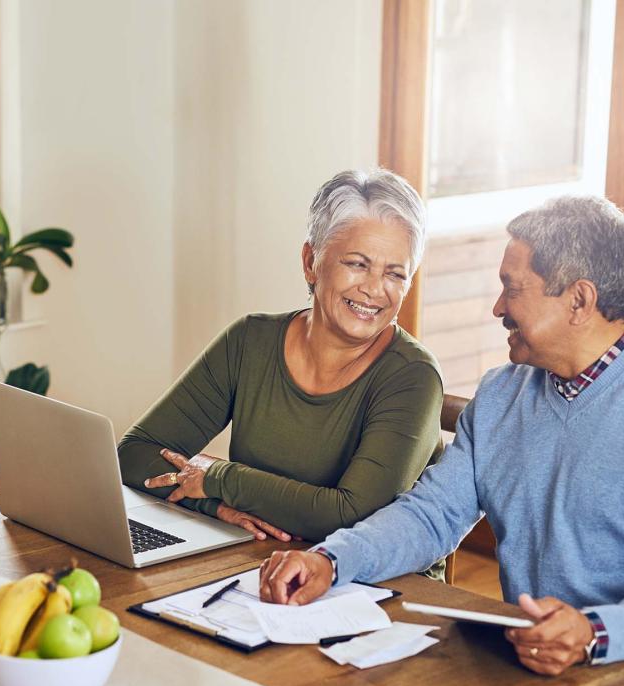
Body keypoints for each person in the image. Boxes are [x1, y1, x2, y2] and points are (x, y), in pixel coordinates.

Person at [258, 195, 624, 679]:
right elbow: (431, 515)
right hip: (542, 660)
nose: (498, 307)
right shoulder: (502, 394)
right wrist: (331, 559)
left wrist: (594, 633)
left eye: (512, 287)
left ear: (579, 300)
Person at [117, 169, 445, 574]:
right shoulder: (249, 341)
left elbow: (354, 516)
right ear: (311, 262)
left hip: (376, 588)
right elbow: (134, 454)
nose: (375, 290)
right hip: (260, 563)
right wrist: (213, 504)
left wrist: (221, 478)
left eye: (396, 273)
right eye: (358, 264)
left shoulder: (413, 377)